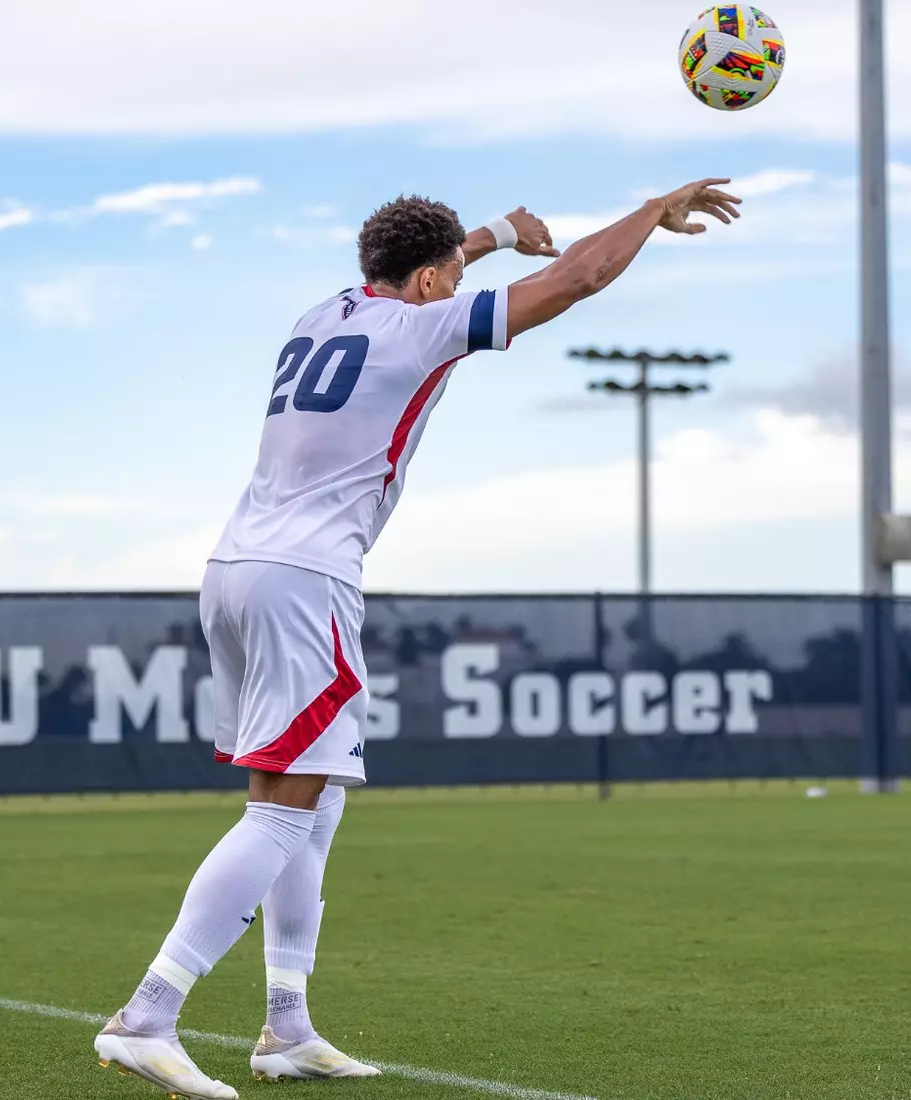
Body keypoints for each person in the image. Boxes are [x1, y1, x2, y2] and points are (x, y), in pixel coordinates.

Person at [94, 178, 742, 1100]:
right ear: (434, 282)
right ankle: (150, 1014)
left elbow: (426, 271)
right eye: (449, 276)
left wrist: (492, 234)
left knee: (313, 802)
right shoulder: (425, 326)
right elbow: (581, 278)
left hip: (236, 570)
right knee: (281, 809)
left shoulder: (326, 312)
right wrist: (649, 211)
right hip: (307, 578)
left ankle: (285, 1027)